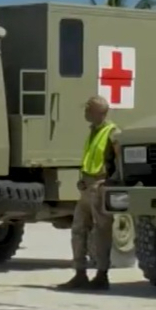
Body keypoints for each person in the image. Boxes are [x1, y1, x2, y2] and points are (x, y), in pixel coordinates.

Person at [57, 95, 121, 291]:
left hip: (100, 187)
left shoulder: (113, 133)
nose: (85, 112)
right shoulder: (93, 131)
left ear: (99, 112)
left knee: (102, 231)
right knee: (78, 229)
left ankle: (102, 274)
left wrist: (110, 183)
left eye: (88, 109)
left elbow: (120, 161)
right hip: (87, 186)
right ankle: (80, 272)